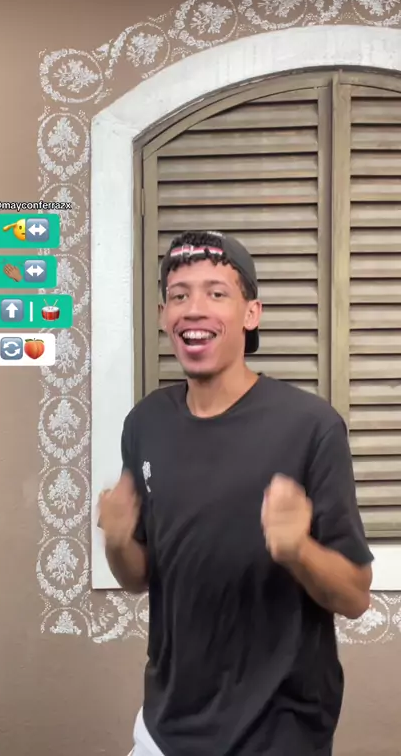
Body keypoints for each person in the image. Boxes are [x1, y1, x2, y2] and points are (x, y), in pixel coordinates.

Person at [98, 229, 373, 756]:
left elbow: (355, 596)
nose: (194, 309)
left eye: (216, 293)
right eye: (179, 295)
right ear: (163, 315)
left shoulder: (311, 427)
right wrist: (116, 542)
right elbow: (138, 578)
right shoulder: (145, 424)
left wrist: (298, 551)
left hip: (278, 731)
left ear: (251, 313)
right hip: (165, 725)